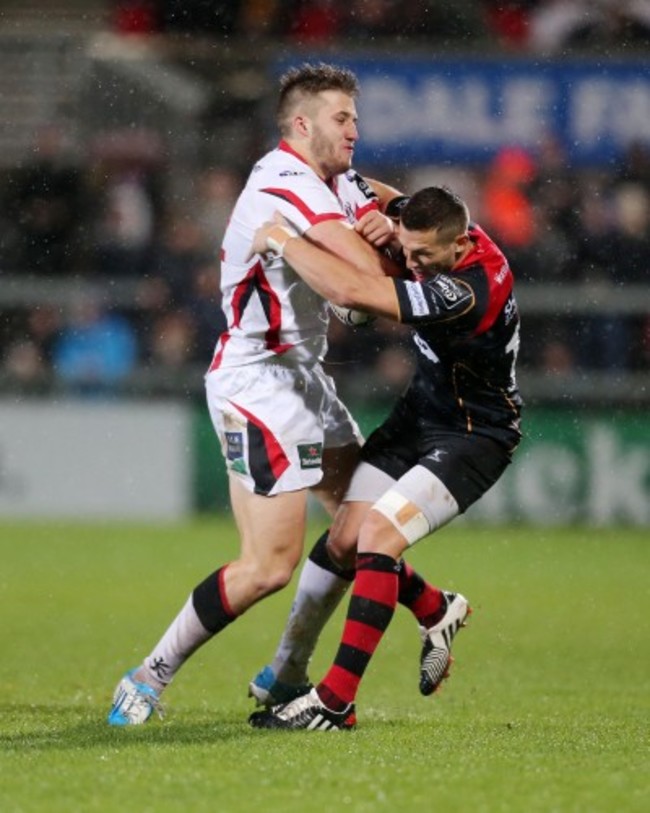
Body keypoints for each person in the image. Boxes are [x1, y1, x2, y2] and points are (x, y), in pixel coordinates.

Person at [107, 63, 460, 725]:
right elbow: (364, 276)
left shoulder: (337, 180)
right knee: (268, 566)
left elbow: (391, 206)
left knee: (361, 528)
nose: (354, 130)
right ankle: (149, 674)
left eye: (355, 118)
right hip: (258, 383)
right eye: (341, 118)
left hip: (305, 377)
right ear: (302, 124)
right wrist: (384, 245)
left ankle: (306, 664)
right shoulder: (284, 181)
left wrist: (390, 217)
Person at [248, 185, 523, 730]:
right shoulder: (440, 230)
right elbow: (377, 190)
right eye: (408, 249)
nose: (413, 261)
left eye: (424, 256)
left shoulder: (466, 292)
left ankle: (336, 702)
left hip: (474, 436)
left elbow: (351, 292)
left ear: (460, 245)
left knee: (378, 535)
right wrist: (366, 207)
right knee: (343, 541)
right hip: (418, 417)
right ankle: (433, 607)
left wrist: (282, 237)